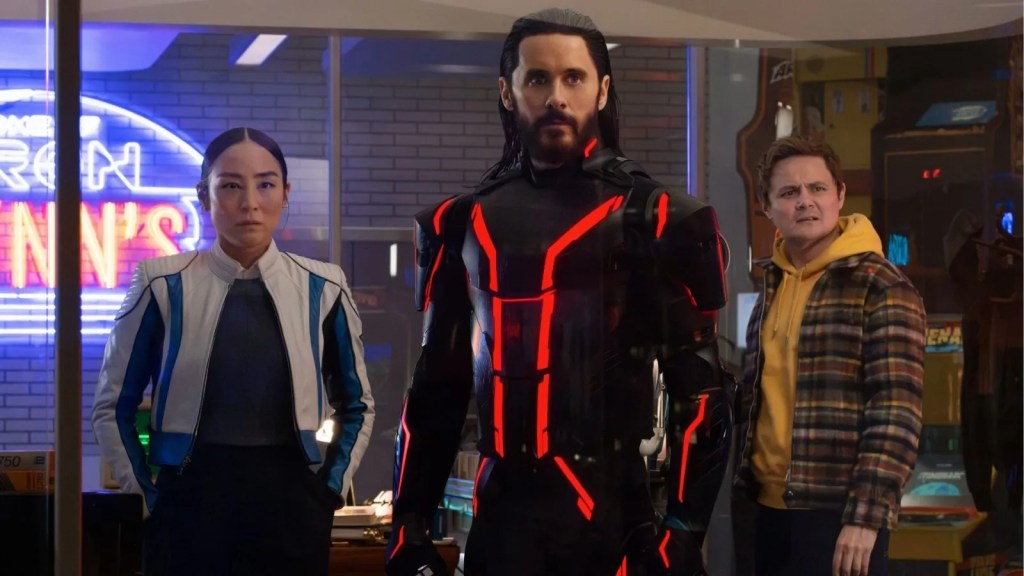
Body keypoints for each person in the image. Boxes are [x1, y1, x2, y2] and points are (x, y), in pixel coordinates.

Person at [385, 8, 733, 576]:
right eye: (537, 78)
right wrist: (410, 525)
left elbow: (701, 395)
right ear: (507, 90)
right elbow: (436, 392)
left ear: (603, 89)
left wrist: (683, 532)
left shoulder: (659, 219)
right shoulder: (461, 223)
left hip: (616, 528)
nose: (556, 97)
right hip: (502, 527)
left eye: (574, 77)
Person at [91, 127, 375, 576]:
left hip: (292, 505)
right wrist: (146, 495)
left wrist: (328, 489)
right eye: (230, 186)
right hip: (188, 503)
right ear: (203, 196)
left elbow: (357, 404)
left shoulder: (323, 286)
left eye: (266, 184)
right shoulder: (162, 282)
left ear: (286, 193)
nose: (250, 203)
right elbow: (112, 405)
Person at [733, 136, 926, 576]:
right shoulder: (772, 283)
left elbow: (896, 411)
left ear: (840, 195)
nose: (805, 201)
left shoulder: (881, 285)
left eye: (817, 188)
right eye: (789, 192)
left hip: (840, 518)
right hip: (765, 513)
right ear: (767, 206)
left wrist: (866, 517)